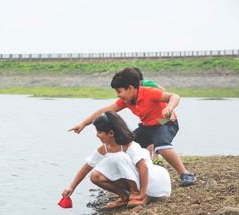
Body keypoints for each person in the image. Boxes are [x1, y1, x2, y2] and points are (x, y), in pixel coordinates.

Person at [68, 67, 196, 187]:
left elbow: (174, 96)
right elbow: (105, 110)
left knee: (161, 145)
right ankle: (135, 178)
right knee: (126, 145)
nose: (118, 95)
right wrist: (83, 123)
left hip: (165, 122)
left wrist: (169, 107)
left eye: (119, 91)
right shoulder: (126, 101)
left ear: (130, 88)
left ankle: (185, 174)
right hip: (146, 127)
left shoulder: (148, 92)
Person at [62, 111, 171, 208]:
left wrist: (142, 193)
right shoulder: (103, 149)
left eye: (99, 132)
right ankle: (124, 196)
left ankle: (139, 194)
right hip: (136, 180)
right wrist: (71, 188)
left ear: (111, 133)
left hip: (149, 182)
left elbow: (144, 168)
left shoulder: (130, 146)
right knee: (95, 176)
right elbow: (87, 167)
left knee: (119, 157)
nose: (97, 135)